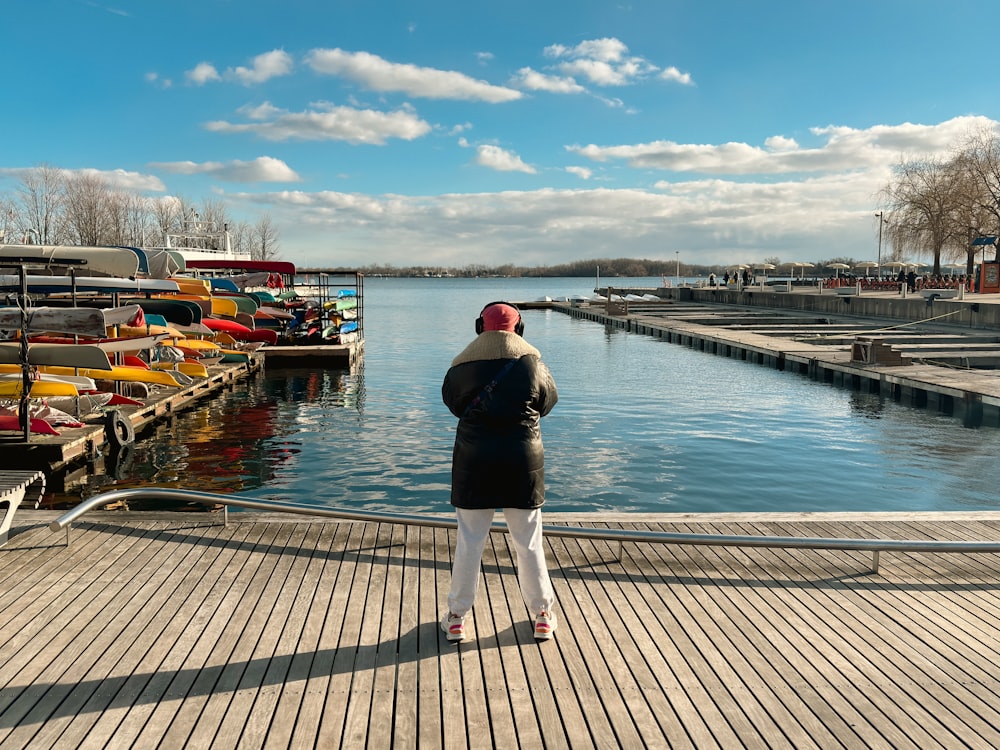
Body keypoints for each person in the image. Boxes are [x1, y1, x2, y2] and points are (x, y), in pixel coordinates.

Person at [440, 301, 559, 643]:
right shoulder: (534, 365)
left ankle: (458, 617)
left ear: (481, 328)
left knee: (470, 542)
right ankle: (541, 615)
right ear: (518, 329)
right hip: (523, 464)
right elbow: (548, 403)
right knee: (529, 543)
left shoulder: (461, 366)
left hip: (474, 463)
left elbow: (453, 404)